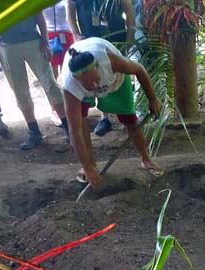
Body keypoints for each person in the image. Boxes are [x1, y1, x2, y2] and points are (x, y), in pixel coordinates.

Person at [62, 38, 163, 186]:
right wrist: (88, 168)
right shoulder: (70, 86)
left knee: (129, 118)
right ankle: (91, 165)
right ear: (77, 80)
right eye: (87, 83)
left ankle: (146, 159)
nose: (95, 85)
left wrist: (152, 99)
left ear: (97, 66)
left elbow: (139, 70)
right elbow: (74, 132)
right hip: (83, 94)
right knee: (81, 122)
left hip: (116, 82)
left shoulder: (110, 61)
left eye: (95, 78)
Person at [0, 15, 70, 150]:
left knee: (50, 84)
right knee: (19, 90)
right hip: (5, 45)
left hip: (33, 40)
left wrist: (45, 39)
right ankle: (34, 132)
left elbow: (39, 15)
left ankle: (69, 129)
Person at [66, 0, 135, 136]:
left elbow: (128, 7)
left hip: (116, 36)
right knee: (94, 77)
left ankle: (127, 117)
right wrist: (75, 33)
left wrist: (130, 34)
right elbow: (70, 7)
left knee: (119, 76)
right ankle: (105, 118)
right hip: (89, 37)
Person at [43, 0, 75, 126]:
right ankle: (54, 109)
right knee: (51, 75)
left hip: (66, 34)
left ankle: (67, 105)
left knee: (66, 73)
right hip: (49, 36)